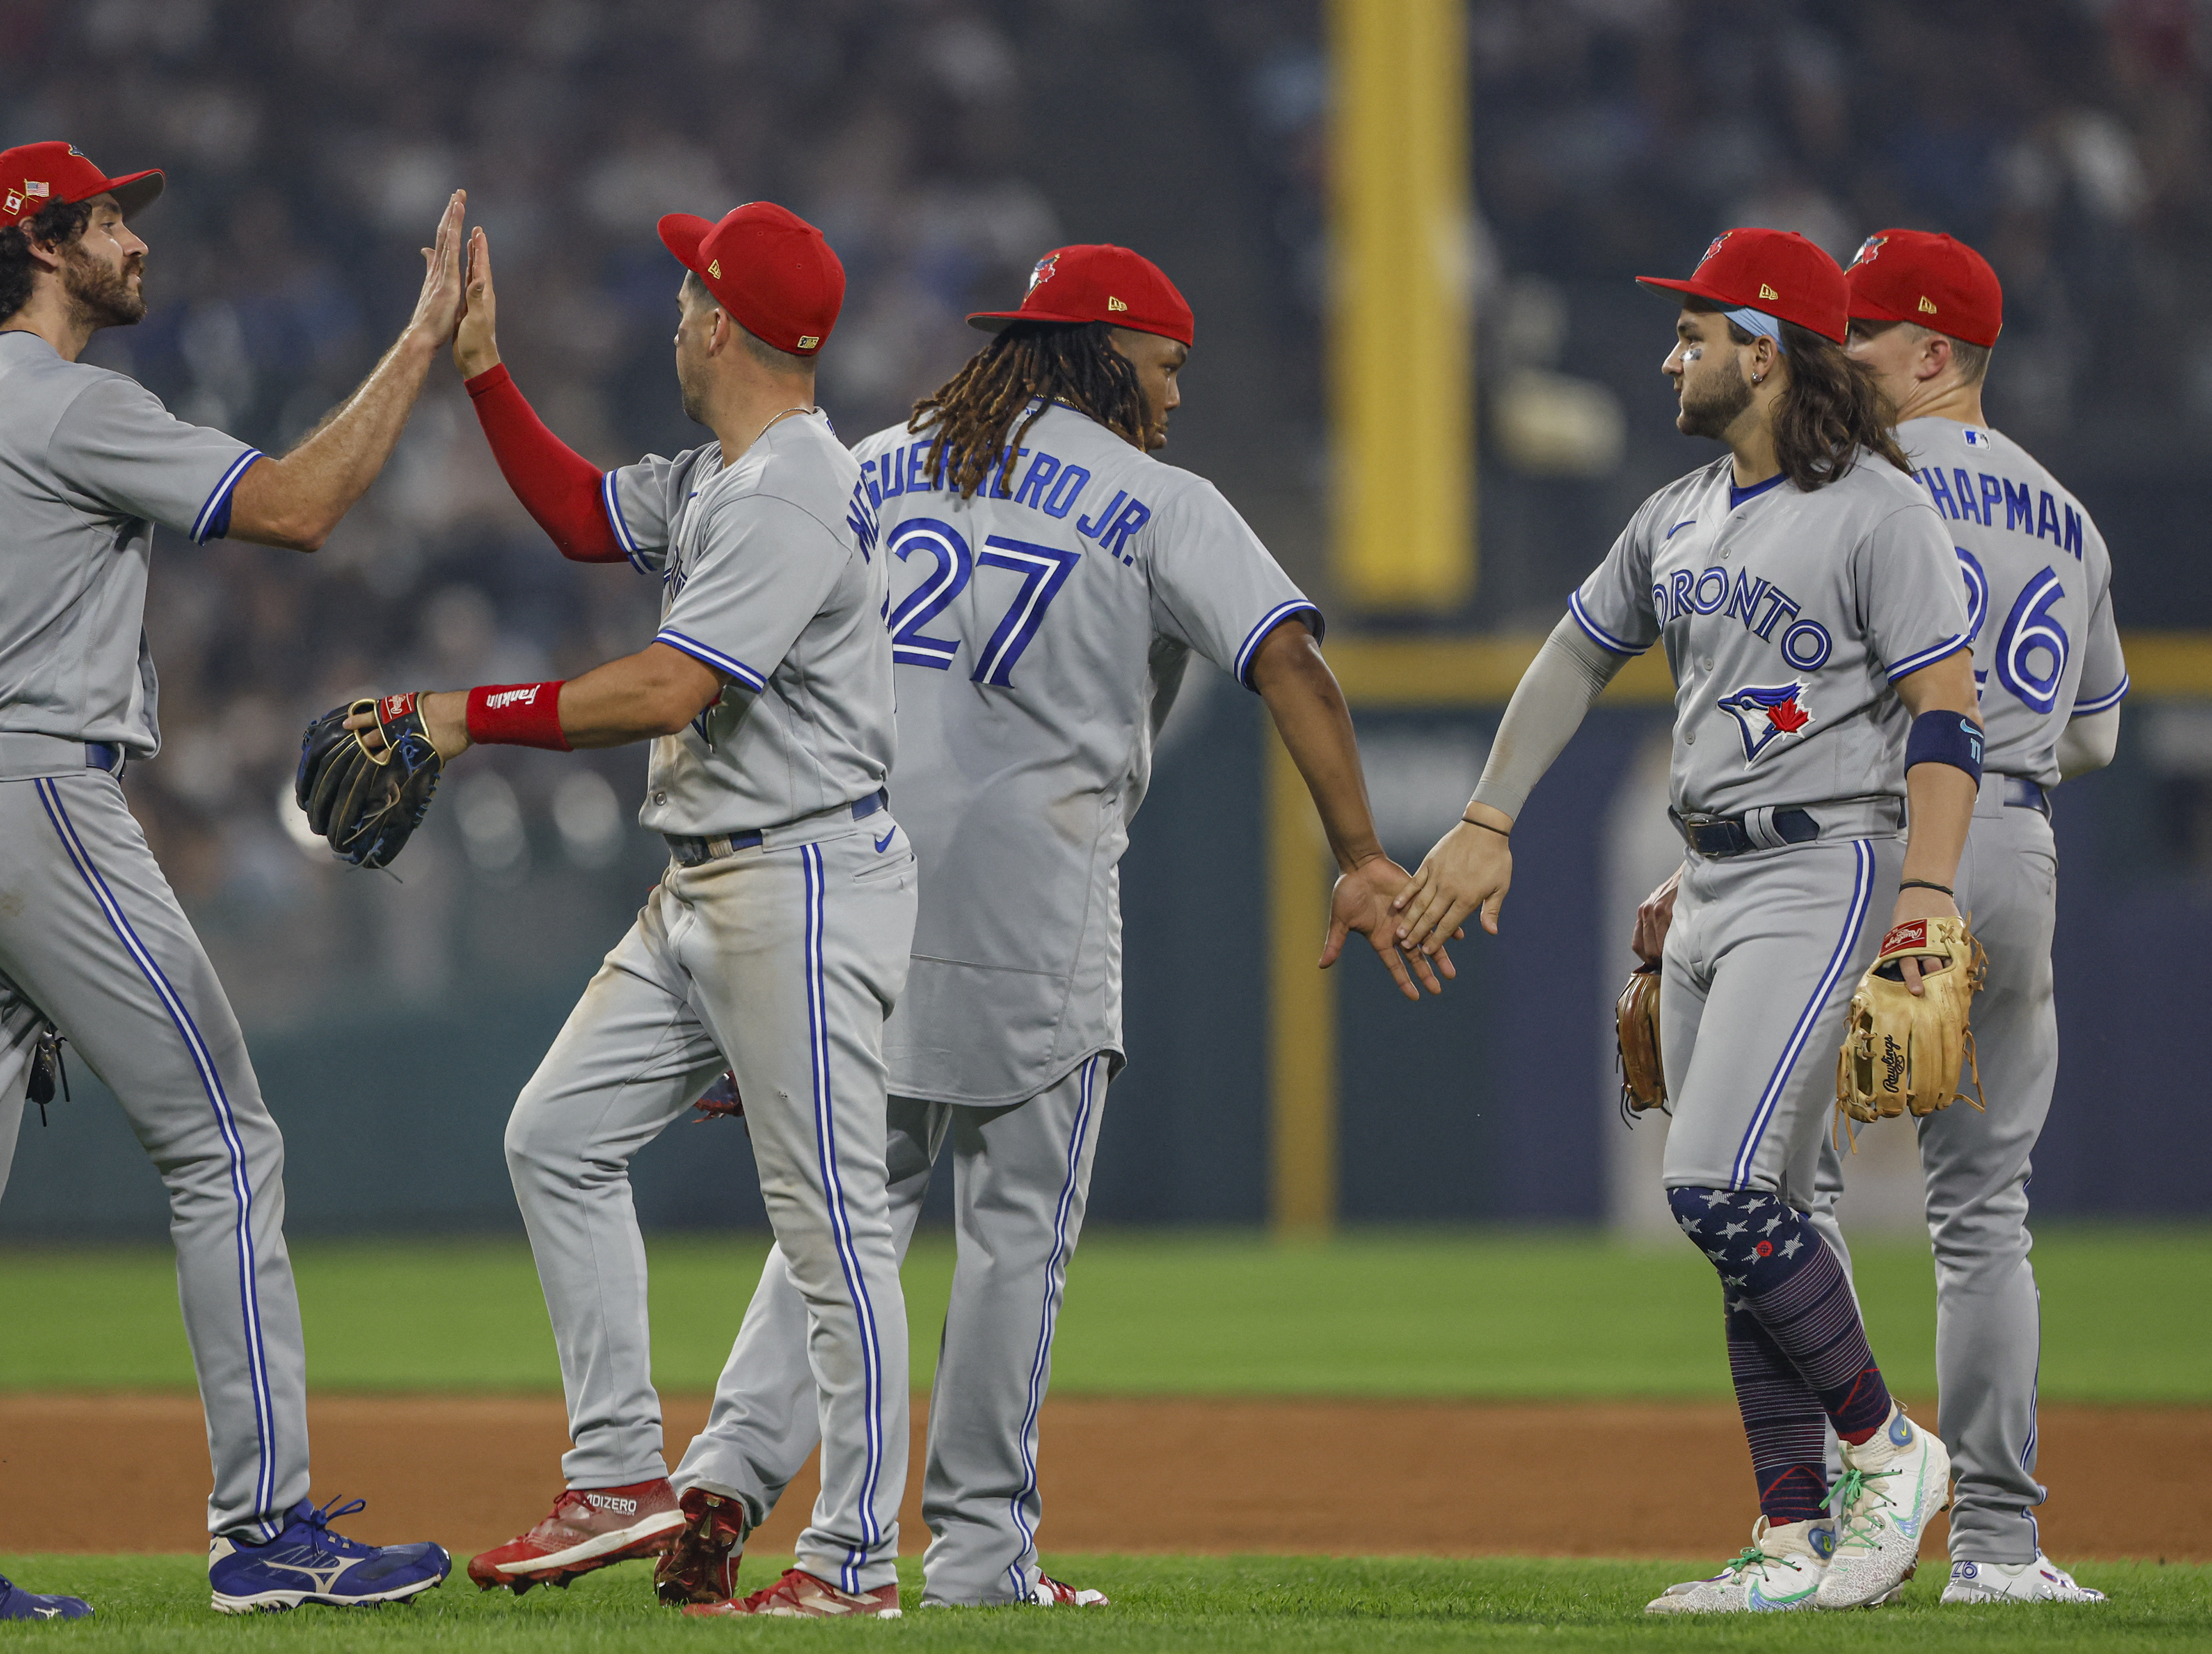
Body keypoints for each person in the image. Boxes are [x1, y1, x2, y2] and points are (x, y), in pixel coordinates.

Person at [623, 244, 1448, 1610]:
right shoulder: (1156, 497)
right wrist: (1358, 852)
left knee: (843, 1214)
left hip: (846, 883)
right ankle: (978, 1559)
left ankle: (725, 1476)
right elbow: (1290, 657)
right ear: (1107, 354)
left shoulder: (861, 461)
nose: (1178, 396)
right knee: (1014, 1231)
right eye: (1169, 365)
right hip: (1034, 898)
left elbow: (735, 648)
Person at [0, 142, 464, 1621]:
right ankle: (268, 1529)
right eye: (110, 219)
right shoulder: (69, 403)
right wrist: (422, 340)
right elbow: (305, 505)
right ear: (44, 244)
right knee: (227, 1145)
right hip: (35, 801)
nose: (135, 240)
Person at [1394, 228, 1978, 1614]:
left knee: (1710, 1190)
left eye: (1694, 334)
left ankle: (1890, 1450)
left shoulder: (1880, 513)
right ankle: (1788, 1543)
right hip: (1706, 873)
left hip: (1820, 868)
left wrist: (1930, 902)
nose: (1671, 355)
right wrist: (1487, 820)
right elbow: (1571, 658)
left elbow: (1947, 714)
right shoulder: (1680, 512)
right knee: (1751, 1216)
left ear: (1765, 351)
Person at [381, 202, 918, 1619]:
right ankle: (620, 1470)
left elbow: (670, 691)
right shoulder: (726, 474)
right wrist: (486, 370)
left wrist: (460, 717)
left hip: (797, 880)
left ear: (725, 325)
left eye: (692, 294)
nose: (676, 314)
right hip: (709, 881)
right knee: (556, 1137)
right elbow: (576, 516)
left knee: (833, 1232)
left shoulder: (795, 486)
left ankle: (855, 1562)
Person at [1830, 228, 2119, 1605]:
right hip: (2017, 836)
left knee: (1782, 1185)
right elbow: (2105, 738)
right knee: (1983, 1215)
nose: (1838, 357)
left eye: (1862, 337)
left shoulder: (1847, 482)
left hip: (1874, 834)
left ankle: (1838, 1520)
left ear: (1933, 353)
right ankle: (1999, 1551)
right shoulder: (2072, 513)